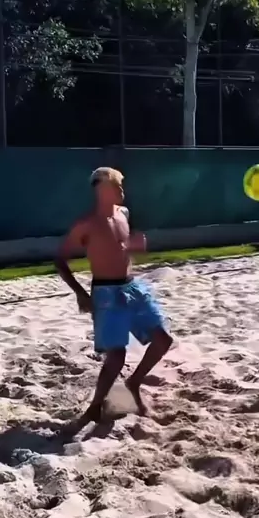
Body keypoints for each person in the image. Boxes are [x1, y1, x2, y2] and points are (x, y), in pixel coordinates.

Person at [55, 166, 172, 431]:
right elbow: (60, 260)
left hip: (132, 287)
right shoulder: (86, 225)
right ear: (102, 187)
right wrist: (80, 293)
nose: (122, 189)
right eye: (118, 185)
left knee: (163, 339)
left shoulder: (124, 214)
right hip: (106, 293)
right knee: (116, 356)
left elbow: (120, 247)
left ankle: (134, 382)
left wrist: (132, 247)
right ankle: (95, 406)